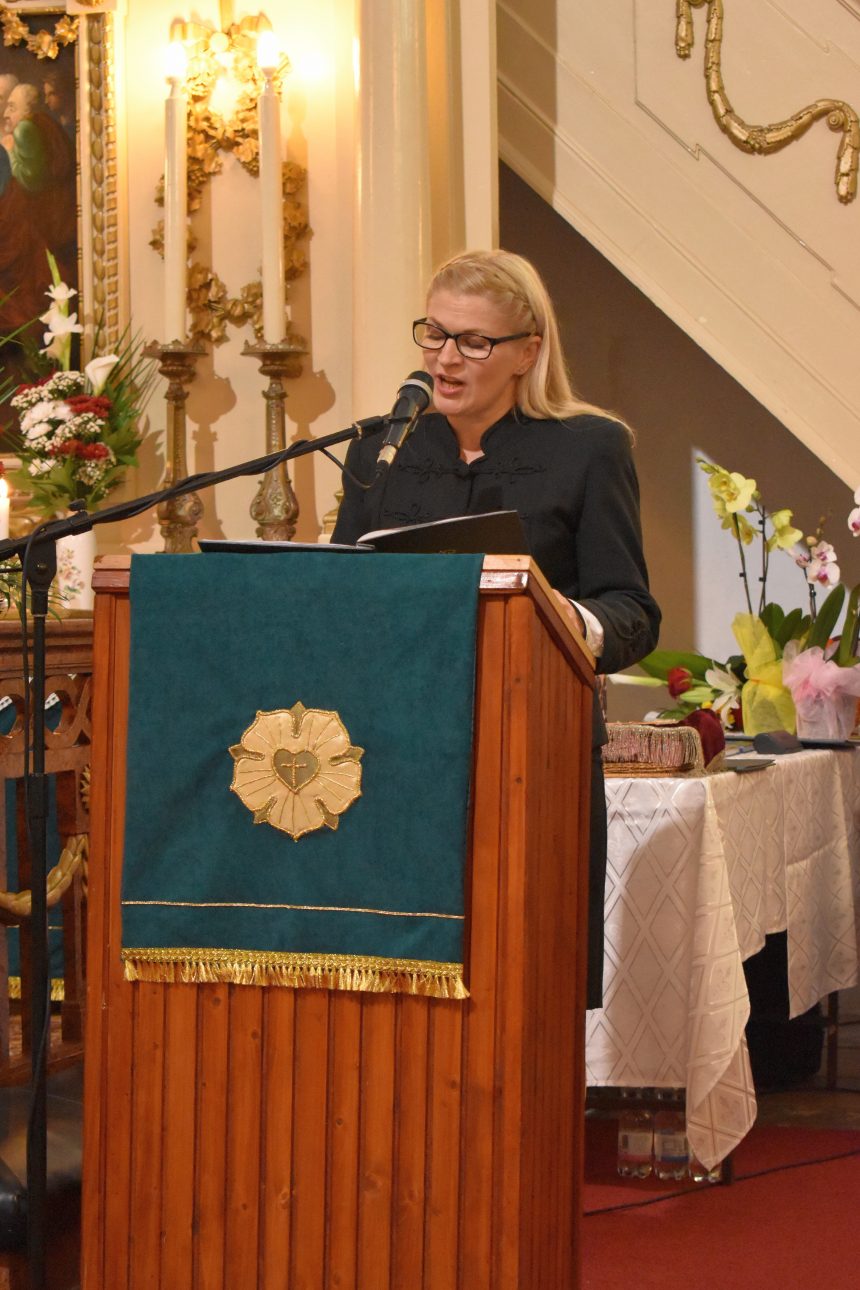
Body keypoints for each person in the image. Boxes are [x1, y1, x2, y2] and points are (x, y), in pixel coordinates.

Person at [332, 248, 661, 1009]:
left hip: (530, 747)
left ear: (527, 352)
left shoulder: (589, 448)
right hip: (391, 753)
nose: (445, 358)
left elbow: (632, 611)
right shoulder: (383, 448)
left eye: (474, 342)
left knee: (521, 983)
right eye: (434, 333)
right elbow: (343, 589)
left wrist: (561, 614)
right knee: (395, 984)